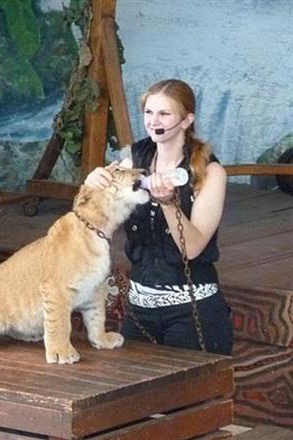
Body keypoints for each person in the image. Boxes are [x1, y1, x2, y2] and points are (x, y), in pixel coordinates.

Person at [85, 79, 233, 355]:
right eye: (148, 112)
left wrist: (168, 204)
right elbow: (96, 223)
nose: (154, 121)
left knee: (189, 396)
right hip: (140, 308)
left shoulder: (210, 172)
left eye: (164, 114)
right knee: (132, 393)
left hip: (192, 310)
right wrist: (92, 186)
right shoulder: (132, 159)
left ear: (187, 120)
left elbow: (193, 248)